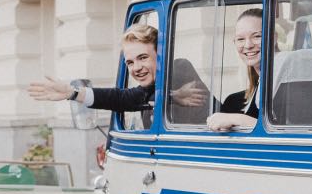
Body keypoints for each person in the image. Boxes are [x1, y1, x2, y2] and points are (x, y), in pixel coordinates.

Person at [28, 22, 209, 126]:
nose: (136, 68)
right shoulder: (153, 91)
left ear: (161, 56)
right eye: (130, 62)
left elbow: (129, 98)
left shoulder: (180, 69)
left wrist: (75, 92)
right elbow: (131, 97)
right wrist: (72, 93)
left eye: (143, 57)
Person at [207, 8, 262, 134]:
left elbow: (283, 132)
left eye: (257, 36)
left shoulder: (285, 86)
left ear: (273, 38)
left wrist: (236, 119)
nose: (248, 45)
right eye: (240, 39)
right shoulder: (236, 99)